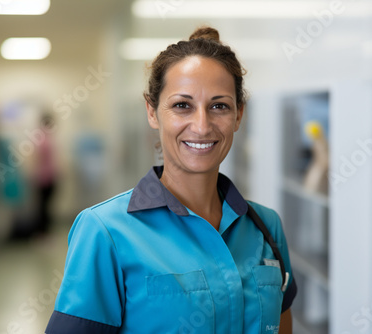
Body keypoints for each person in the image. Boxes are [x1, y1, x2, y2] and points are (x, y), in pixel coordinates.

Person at [45, 26, 297, 334]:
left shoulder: (265, 227)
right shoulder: (105, 232)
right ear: (152, 112)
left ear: (238, 115)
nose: (202, 126)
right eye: (182, 105)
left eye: (219, 106)